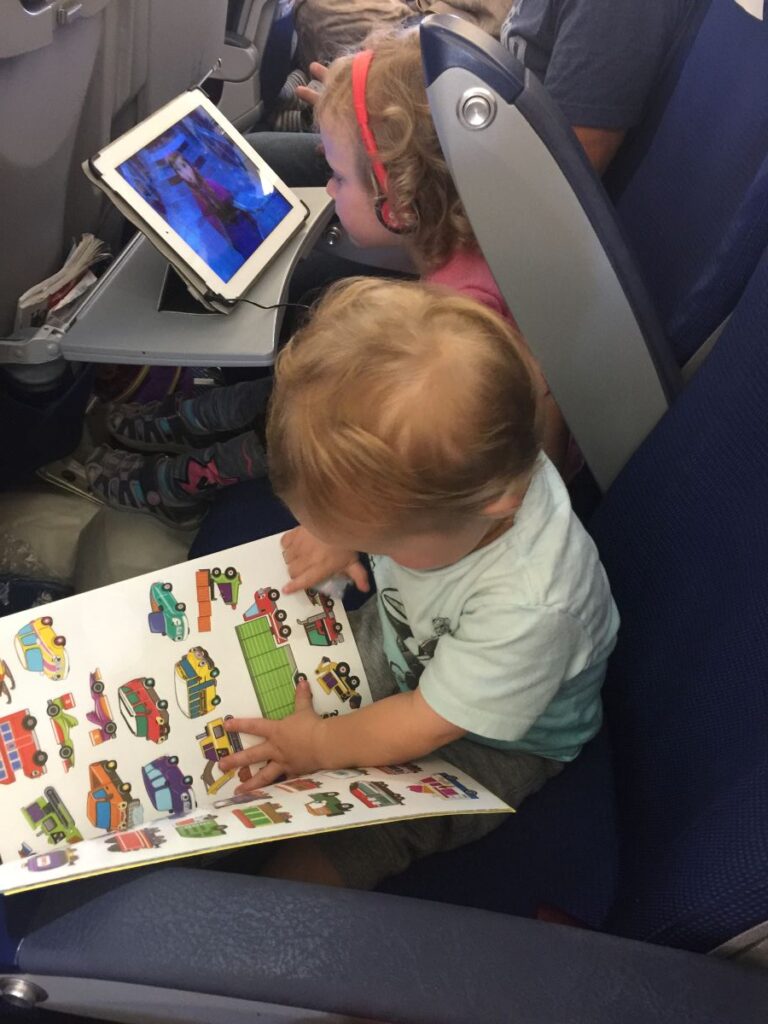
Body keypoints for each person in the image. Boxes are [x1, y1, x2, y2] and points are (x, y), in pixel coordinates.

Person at [215, 275, 619, 889]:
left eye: (381, 539)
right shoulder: (472, 466)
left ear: (497, 502)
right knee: (272, 692)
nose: (373, 549)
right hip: (415, 640)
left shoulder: (530, 605)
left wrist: (322, 750)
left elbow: (429, 721)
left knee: (364, 833)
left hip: (495, 738)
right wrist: (343, 532)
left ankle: (272, 920)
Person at [85, 28, 570, 526]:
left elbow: (505, 456)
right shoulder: (461, 240)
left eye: (337, 176)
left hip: (428, 442)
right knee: (317, 371)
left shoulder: (464, 315)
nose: (329, 191)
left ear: (398, 206)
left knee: (323, 398)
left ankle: (186, 482)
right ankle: (200, 418)